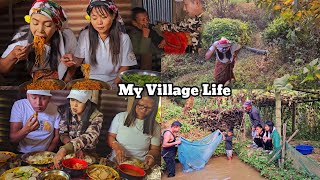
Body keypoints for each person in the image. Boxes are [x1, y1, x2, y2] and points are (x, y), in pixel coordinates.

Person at [61, 0, 137, 85]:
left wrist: (113, 85)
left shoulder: (124, 38)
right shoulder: (85, 35)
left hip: (113, 82)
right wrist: (71, 61)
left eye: (104, 17)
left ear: (113, 16)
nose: (99, 22)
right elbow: (78, 60)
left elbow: (125, 66)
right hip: (89, 82)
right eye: (94, 18)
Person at [0, 0, 77, 82]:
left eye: (47, 25)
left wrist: (68, 72)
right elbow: (2, 69)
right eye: (35, 23)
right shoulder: (22, 38)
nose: (40, 30)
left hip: (58, 84)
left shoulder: (67, 37)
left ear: (56, 27)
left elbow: (75, 64)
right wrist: (13, 56)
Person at [107, 92, 160, 167]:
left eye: (148, 108)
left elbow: (155, 149)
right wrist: (117, 147)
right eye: (141, 105)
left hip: (139, 165)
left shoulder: (156, 126)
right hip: (116, 161)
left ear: (154, 109)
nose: (143, 110)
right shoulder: (120, 117)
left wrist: (151, 156)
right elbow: (110, 136)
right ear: (135, 103)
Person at [53, 90, 103, 169]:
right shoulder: (66, 111)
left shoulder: (96, 116)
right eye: (72, 100)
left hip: (88, 155)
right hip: (69, 153)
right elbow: (63, 133)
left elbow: (90, 135)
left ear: (87, 102)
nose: (74, 105)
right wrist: (73, 148)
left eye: (79, 101)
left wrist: (69, 148)